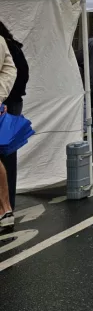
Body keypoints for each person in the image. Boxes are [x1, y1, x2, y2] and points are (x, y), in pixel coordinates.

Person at [0, 21, 27, 221]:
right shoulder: (13, 45)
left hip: (7, 104)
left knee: (5, 154)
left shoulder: (5, 45)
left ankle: (5, 205)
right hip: (11, 102)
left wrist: (4, 100)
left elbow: (16, 76)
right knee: (7, 154)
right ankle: (7, 205)